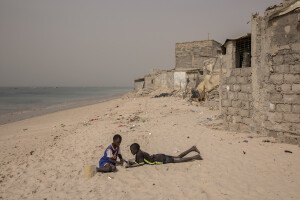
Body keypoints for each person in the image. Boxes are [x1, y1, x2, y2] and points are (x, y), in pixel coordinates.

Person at [126, 143, 202, 168]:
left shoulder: (139, 154)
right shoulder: (139, 152)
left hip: (160, 160)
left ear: (136, 149)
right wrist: (131, 163)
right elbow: (138, 162)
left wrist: (131, 166)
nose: (131, 151)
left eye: (132, 150)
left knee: (178, 160)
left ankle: (195, 157)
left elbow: (141, 164)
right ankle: (192, 148)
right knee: (178, 157)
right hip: (159, 156)